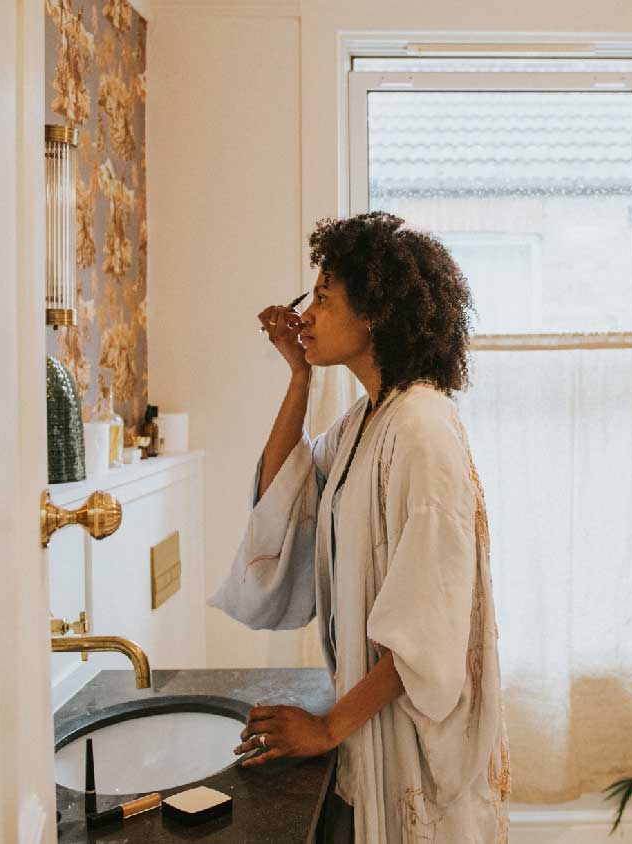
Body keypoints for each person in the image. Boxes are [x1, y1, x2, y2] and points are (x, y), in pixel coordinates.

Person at [207, 211, 511, 843]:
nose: (307, 313)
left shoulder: (421, 430)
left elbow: (430, 621)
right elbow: (282, 498)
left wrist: (325, 727)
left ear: (373, 312)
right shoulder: (364, 421)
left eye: (323, 296)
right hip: (370, 724)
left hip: (415, 742)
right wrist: (299, 376)